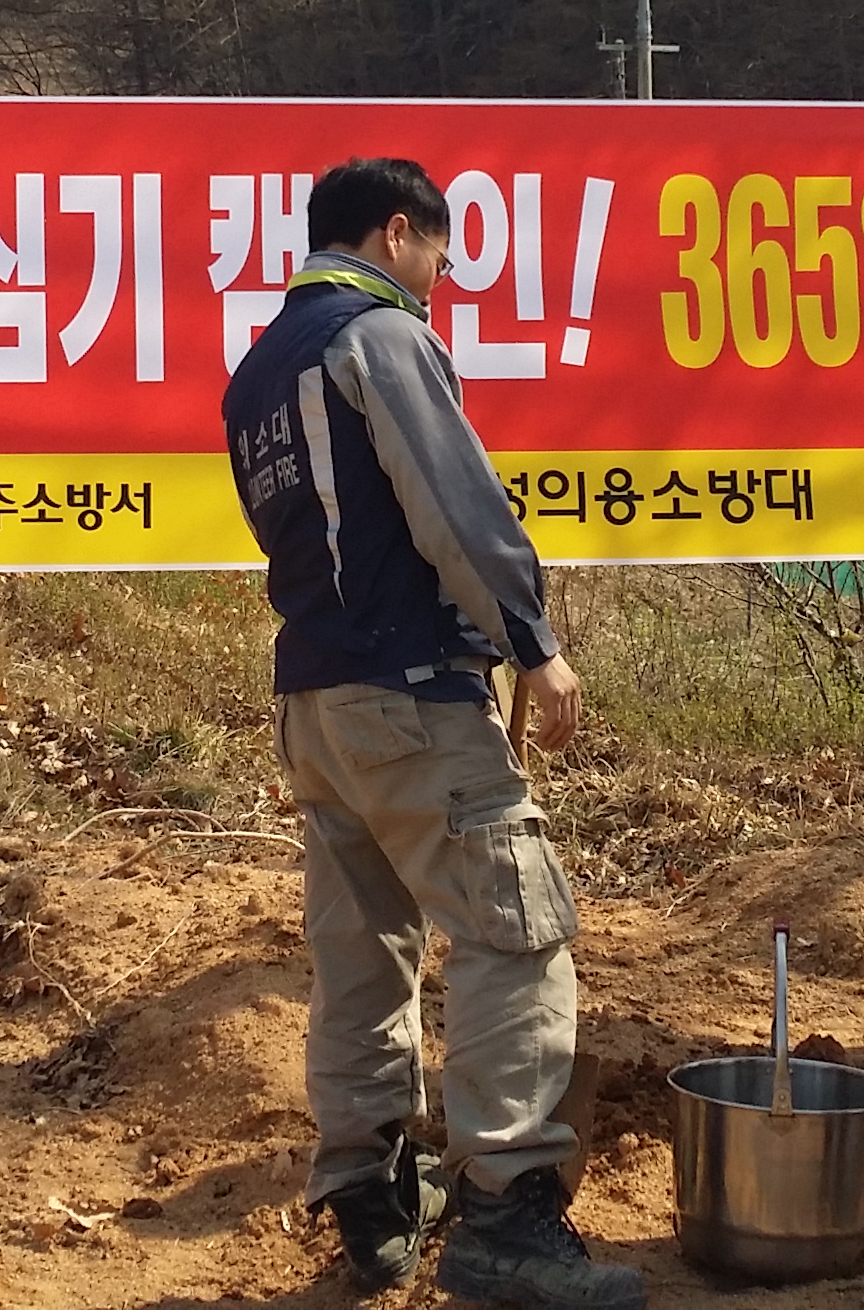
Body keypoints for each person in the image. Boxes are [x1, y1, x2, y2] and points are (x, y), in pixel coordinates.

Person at [219, 159, 642, 1310]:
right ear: (395, 232)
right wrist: (531, 640)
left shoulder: (257, 371)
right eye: (439, 260)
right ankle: (507, 1205)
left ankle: (370, 1193)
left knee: (363, 950)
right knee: (516, 930)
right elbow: (455, 501)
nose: (440, 282)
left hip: (315, 705)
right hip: (411, 693)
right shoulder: (381, 336)